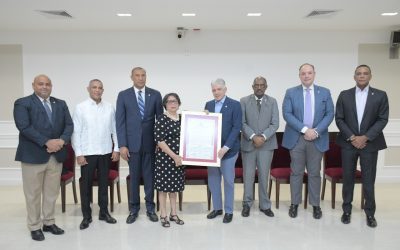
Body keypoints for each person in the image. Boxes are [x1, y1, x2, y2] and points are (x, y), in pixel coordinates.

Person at [13, 74, 73, 241]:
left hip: (55, 157)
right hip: (33, 156)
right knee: (32, 194)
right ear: (33, 85)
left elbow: (69, 125)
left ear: (51, 86)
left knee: (51, 193)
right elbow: (24, 126)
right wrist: (46, 142)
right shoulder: (23, 103)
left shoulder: (60, 104)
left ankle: (48, 222)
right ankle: (34, 226)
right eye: (40, 84)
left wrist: (61, 141)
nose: (44, 87)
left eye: (47, 84)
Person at [335, 65, 389, 228]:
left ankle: (370, 213)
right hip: (348, 143)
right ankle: (347, 210)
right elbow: (339, 119)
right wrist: (352, 137)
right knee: (348, 179)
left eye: (365, 73)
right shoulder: (344, 95)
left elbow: (382, 119)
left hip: (370, 144)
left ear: (370, 76)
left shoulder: (380, 95)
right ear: (354, 77)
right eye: (359, 74)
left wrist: (365, 137)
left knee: (368, 180)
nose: (362, 76)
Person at [282, 63, 334, 219]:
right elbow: (287, 114)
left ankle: (315, 205)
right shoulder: (291, 92)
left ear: (314, 74)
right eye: (303, 73)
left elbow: (330, 114)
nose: (306, 76)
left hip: (317, 139)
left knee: (314, 173)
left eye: (309, 73)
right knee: (296, 172)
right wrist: (305, 130)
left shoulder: (325, 92)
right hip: (297, 139)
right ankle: (294, 204)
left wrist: (316, 131)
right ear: (299, 75)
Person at [116, 67, 163, 224]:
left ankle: (150, 208)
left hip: (151, 145)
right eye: (137, 75)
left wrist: (159, 141)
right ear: (132, 77)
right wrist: (122, 145)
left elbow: (160, 121)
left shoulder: (155, 94)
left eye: (143, 75)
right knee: (134, 178)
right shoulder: (123, 95)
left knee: (150, 178)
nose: (141, 78)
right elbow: (120, 122)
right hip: (132, 145)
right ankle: (134, 209)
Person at [72, 79, 120, 230]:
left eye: (100, 88)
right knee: (86, 186)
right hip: (87, 153)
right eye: (94, 87)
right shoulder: (80, 108)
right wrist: (79, 154)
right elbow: (76, 133)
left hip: (105, 152)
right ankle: (86, 216)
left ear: (103, 90)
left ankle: (104, 213)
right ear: (88, 89)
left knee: (103, 184)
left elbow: (115, 130)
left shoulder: (109, 107)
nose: (97, 90)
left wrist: (117, 148)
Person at [240, 76, 279, 217]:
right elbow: (242, 122)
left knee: (264, 175)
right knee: (248, 176)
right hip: (249, 144)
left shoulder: (273, 101)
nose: (259, 87)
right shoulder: (243, 101)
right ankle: (247, 204)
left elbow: (275, 123)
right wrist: (253, 137)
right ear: (252, 86)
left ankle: (265, 205)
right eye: (256, 85)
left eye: (262, 85)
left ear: (266, 86)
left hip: (266, 145)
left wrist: (262, 137)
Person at [205, 78, 242, 223]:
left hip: (229, 151)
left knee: (228, 181)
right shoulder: (208, 104)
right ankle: (217, 208)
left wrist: (226, 147)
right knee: (213, 180)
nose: (216, 92)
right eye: (213, 90)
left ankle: (229, 211)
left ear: (225, 89)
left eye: (219, 89)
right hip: (212, 152)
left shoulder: (235, 104)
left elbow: (236, 127)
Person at [154, 93, 185, 228]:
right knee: (163, 189)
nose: (172, 103)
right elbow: (160, 141)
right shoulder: (161, 119)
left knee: (174, 189)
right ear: (165, 104)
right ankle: (163, 215)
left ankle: (174, 214)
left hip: (180, 160)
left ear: (179, 103)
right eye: (169, 101)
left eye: (175, 101)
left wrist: (206, 114)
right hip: (165, 159)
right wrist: (174, 156)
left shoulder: (184, 119)